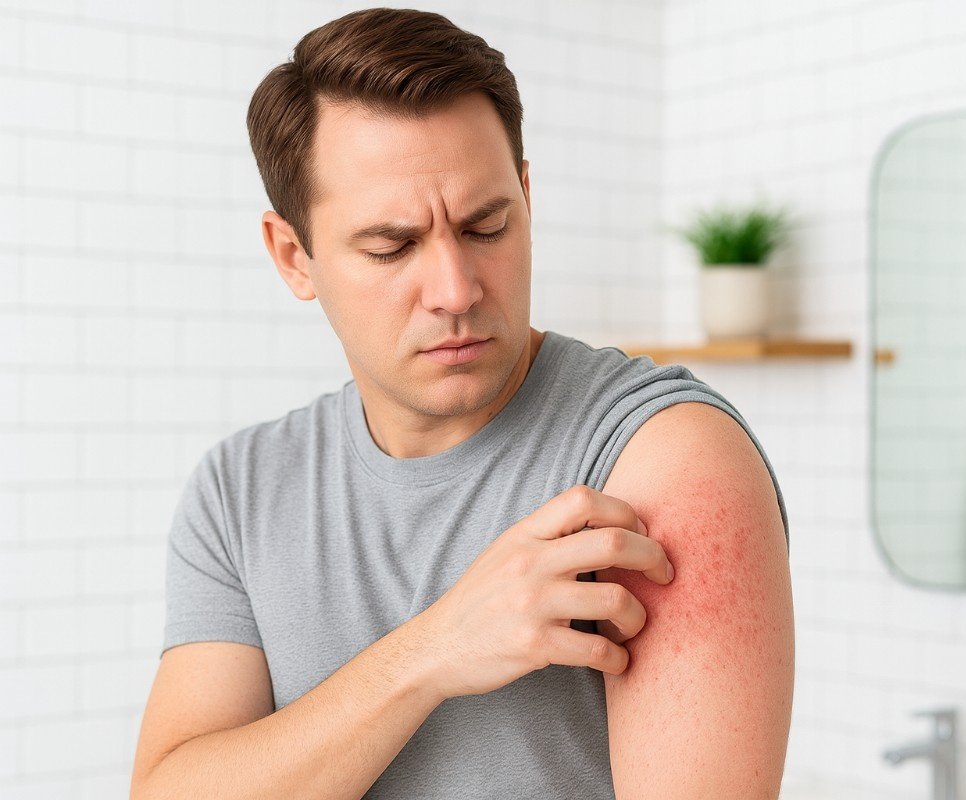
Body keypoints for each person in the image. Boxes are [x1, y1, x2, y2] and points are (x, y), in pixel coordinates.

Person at [129, 7, 793, 800]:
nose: (455, 290)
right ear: (293, 256)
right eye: (392, 245)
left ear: (526, 195)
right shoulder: (240, 489)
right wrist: (433, 653)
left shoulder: (661, 456)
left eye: (486, 226)